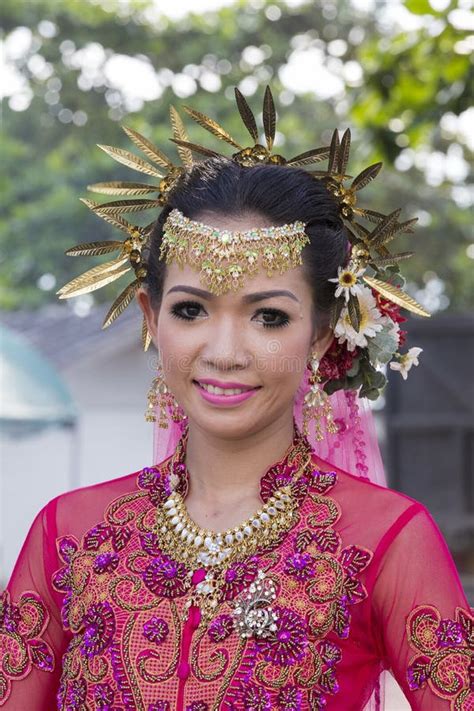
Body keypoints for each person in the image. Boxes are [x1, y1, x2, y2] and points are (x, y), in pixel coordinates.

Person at [1, 88, 472, 711]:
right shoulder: (68, 532)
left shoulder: (386, 539)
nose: (224, 351)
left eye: (269, 317)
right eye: (191, 310)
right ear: (151, 317)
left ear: (322, 333)